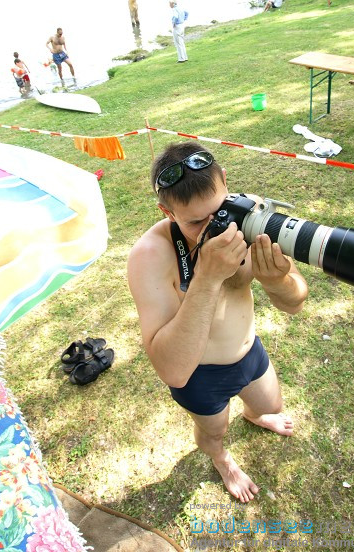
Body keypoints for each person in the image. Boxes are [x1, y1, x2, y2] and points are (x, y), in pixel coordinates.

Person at [127, 143, 308, 503]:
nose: (216, 229)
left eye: (219, 211)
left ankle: (255, 416)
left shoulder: (251, 214)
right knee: (214, 433)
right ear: (167, 211)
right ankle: (222, 461)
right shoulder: (149, 256)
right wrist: (206, 278)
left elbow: (296, 301)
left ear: (225, 182)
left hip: (248, 351)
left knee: (271, 406)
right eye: (195, 222)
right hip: (198, 376)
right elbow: (174, 371)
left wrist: (277, 281)